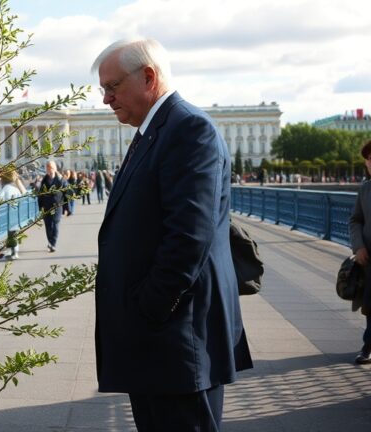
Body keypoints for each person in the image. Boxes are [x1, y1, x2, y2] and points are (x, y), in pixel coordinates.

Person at [91, 39, 252, 431]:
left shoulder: (188, 129)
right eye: (103, 89)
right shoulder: (157, 130)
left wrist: (149, 308)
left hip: (176, 335)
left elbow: (188, 237)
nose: (106, 99)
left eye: (112, 87)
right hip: (157, 336)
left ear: (148, 77)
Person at [348, 139, 371, 365]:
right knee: (370, 304)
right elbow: (355, 220)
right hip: (369, 256)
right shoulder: (365, 189)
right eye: (369, 159)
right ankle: (368, 346)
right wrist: (359, 246)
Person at [37, 160, 66, 252]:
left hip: (57, 206)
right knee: (48, 226)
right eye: (48, 167)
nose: (50, 169)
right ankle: (50, 241)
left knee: (56, 224)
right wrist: (40, 207)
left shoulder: (61, 180)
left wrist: (66, 208)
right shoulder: (44, 180)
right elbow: (40, 195)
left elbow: (66, 193)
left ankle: (53, 243)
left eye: (52, 167)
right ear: (46, 169)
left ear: (55, 168)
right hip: (46, 207)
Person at [0, 170, 25, 260]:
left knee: (9, 234)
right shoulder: (15, 189)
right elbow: (23, 195)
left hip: (6, 215)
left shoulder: (5, 188)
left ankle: (10, 252)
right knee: (14, 233)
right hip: (15, 214)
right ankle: (14, 252)